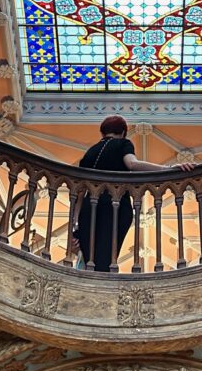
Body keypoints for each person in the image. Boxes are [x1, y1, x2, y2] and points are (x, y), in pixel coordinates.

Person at [77, 115, 194, 270]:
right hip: (115, 205)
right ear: (123, 131)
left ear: (103, 132)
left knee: (91, 257)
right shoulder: (123, 143)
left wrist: (75, 224)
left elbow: (79, 192)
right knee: (107, 254)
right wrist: (167, 169)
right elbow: (132, 163)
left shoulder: (90, 152)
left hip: (88, 208)